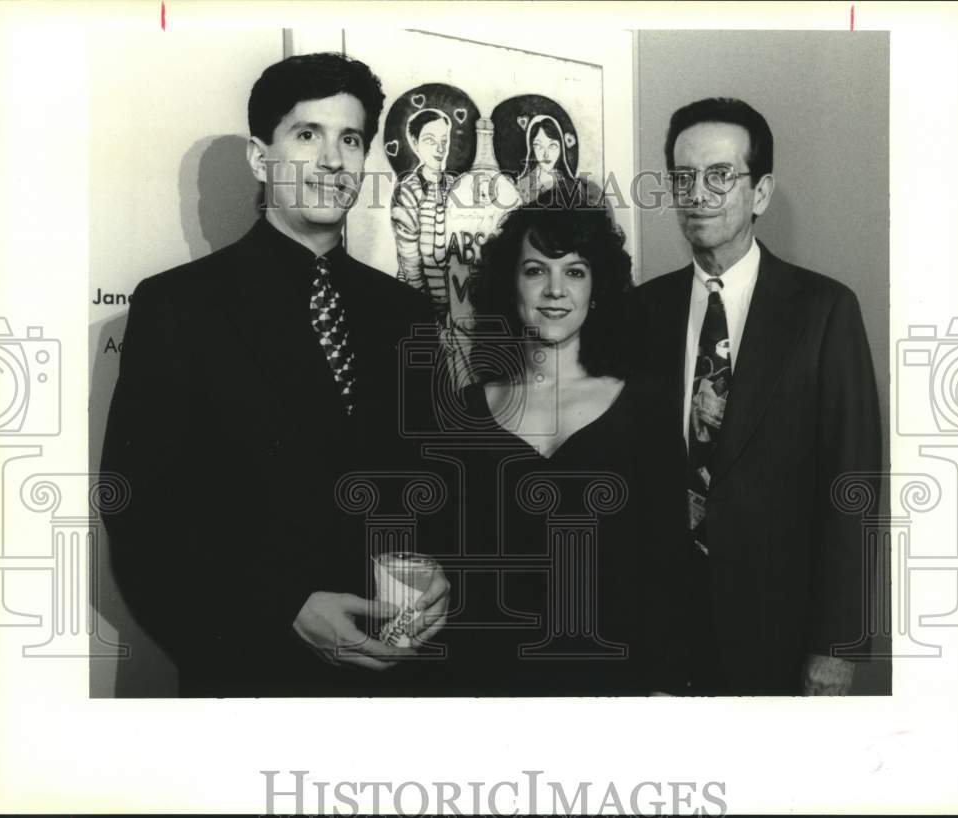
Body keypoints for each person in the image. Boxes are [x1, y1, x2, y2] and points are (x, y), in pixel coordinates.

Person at [101, 53, 450, 697]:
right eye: (307, 135)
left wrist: (438, 570)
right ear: (263, 161)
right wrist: (284, 606)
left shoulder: (403, 310)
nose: (332, 160)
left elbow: (434, 476)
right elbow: (141, 509)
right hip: (253, 672)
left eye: (350, 139)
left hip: (398, 675)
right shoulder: (180, 306)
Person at [628, 97, 881, 695]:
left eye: (721, 176)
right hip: (661, 629)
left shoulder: (823, 311)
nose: (699, 194)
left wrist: (837, 645)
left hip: (779, 631)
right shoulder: (641, 310)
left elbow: (854, 485)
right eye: (684, 178)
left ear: (760, 193)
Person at [438, 194, 691, 695]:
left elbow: (667, 565)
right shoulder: (466, 411)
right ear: (511, 284)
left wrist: (664, 687)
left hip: (616, 686)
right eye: (536, 270)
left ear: (596, 289)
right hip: (491, 684)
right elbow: (449, 564)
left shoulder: (645, 406)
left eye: (575, 272)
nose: (555, 290)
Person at [391, 108, 455, 317]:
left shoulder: (457, 186)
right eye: (430, 140)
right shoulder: (407, 191)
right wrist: (425, 309)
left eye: (444, 141)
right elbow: (410, 263)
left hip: (455, 301)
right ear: (414, 143)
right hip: (417, 300)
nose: (440, 148)